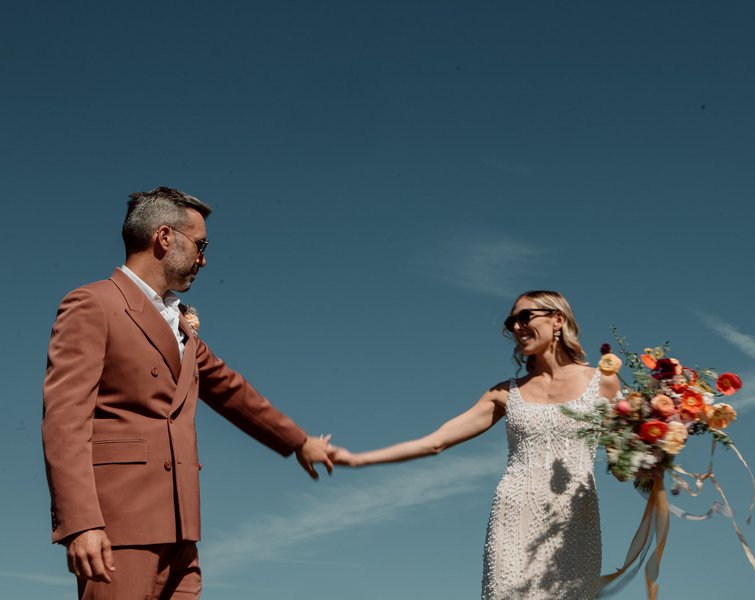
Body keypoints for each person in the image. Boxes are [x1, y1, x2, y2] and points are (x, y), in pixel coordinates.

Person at [42, 186, 334, 600]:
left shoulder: (179, 326)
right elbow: (64, 421)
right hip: (117, 529)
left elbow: (232, 391)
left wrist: (299, 441)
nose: (204, 258)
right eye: (200, 244)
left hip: (182, 535)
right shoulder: (93, 304)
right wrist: (82, 523)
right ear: (164, 238)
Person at [331, 290, 620, 599]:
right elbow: (436, 442)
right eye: (512, 322)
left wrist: (655, 451)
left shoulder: (602, 381)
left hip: (574, 520)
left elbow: (620, 466)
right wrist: (356, 459)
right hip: (514, 517)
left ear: (557, 319)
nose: (518, 327)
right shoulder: (504, 394)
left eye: (525, 317)